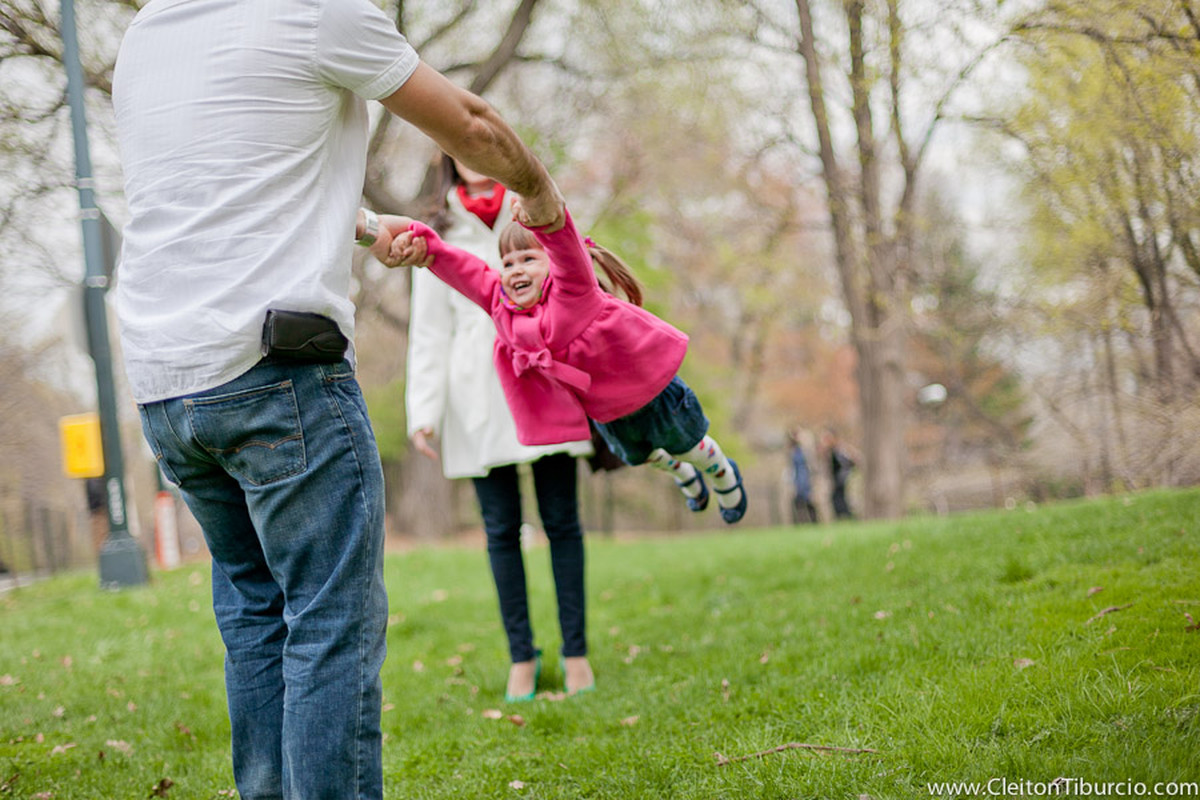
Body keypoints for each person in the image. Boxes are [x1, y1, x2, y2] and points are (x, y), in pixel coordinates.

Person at [111, 0, 564, 795]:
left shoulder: (148, 31)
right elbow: (471, 124)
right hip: (275, 371)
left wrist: (353, 225)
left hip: (166, 383)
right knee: (328, 628)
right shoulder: (316, 13)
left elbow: (217, 185)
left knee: (257, 622)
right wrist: (542, 196)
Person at [374, 203, 748, 525]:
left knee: (688, 446)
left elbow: (565, 245)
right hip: (609, 414)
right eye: (507, 262)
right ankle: (683, 475)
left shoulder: (574, 290)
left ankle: (725, 477)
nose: (516, 270)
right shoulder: (503, 309)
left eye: (528, 259)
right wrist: (429, 247)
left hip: (651, 392)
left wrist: (545, 209)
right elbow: (467, 271)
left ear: (551, 264)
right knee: (647, 456)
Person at [406, 155, 594, 701]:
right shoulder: (439, 227)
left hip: (545, 376)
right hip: (476, 395)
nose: (471, 157)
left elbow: (576, 283)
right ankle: (521, 656)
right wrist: (424, 410)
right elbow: (429, 330)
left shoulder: (534, 205)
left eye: (479, 145)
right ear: (445, 158)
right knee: (499, 531)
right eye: (457, 148)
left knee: (563, 521)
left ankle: (576, 651)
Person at [822, 429, 857, 520]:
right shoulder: (831, 451)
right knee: (836, 500)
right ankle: (842, 518)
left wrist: (844, 475)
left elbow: (850, 462)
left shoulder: (840, 450)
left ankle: (848, 517)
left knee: (840, 500)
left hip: (841, 480)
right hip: (836, 480)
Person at [788, 427, 817, 524]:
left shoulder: (805, 449)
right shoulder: (793, 451)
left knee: (808, 501)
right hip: (797, 479)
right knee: (797, 503)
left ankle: (814, 522)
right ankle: (800, 522)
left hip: (805, 478)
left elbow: (811, 465)